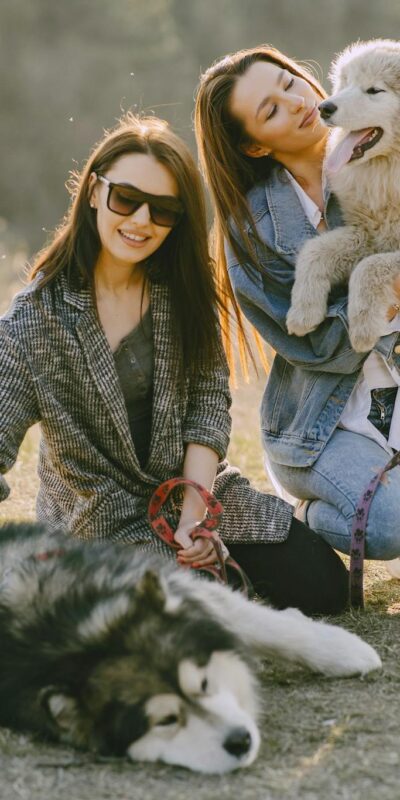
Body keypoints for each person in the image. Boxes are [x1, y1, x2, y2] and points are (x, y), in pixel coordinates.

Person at [0, 113, 348, 614]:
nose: (141, 221)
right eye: (126, 199)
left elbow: (207, 404)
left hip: (194, 487)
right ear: (95, 191)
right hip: (99, 517)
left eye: (162, 210)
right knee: (187, 612)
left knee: (323, 588)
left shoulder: (183, 292)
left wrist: (197, 516)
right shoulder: (34, 318)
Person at [194, 45, 400, 571]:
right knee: (391, 520)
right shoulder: (254, 232)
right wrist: (385, 296)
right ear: (256, 147)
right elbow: (317, 347)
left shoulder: (375, 152)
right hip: (321, 425)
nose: (297, 102)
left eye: (288, 83)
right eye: (271, 110)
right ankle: (302, 519)